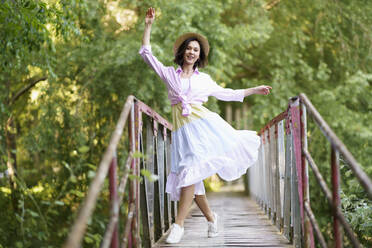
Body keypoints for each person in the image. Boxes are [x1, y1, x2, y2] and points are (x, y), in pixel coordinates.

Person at [139, 7, 271, 244]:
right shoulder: (170, 74)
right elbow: (147, 54)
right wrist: (148, 25)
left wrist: (254, 90)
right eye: (189, 48)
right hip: (181, 132)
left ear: (200, 56)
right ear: (183, 52)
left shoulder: (204, 80)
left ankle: (178, 225)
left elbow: (227, 93)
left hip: (203, 127)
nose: (191, 52)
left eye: (196, 50)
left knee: (190, 172)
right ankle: (212, 218)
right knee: (193, 176)